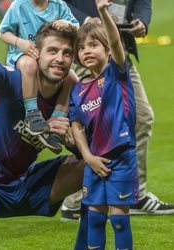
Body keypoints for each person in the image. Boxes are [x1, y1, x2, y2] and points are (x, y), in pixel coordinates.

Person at [0, 0, 84, 249]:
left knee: (100, 163)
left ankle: (87, 243)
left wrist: (72, 142)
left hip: (24, 185)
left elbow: (89, 148)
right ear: (36, 53)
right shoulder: (14, 83)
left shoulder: (70, 99)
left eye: (67, 53)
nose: (60, 59)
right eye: (52, 51)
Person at [61, 0, 174, 220]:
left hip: (116, 50)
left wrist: (142, 21)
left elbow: (142, 2)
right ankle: (74, 202)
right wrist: (87, 21)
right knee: (86, 126)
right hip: (86, 45)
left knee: (141, 118)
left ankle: (135, 195)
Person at [71, 0, 138, 249]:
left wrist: (102, 12)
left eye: (93, 45)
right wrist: (88, 157)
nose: (86, 51)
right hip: (94, 161)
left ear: (107, 49)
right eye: (81, 48)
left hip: (121, 158)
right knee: (95, 219)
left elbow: (117, 42)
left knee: (119, 221)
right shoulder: (77, 90)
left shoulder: (116, 73)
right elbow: (76, 126)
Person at [0, 0, 79, 153]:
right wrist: (19, 42)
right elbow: (2, 32)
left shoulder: (59, 5)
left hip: (50, 56)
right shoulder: (19, 5)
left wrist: (68, 24)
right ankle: (32, 115)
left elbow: (77, 28)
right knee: (30, 65)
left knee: (72, 79)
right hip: (25, 54)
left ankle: (56, 124)